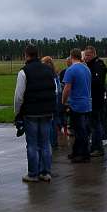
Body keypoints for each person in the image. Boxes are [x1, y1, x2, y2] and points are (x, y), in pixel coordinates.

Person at [14, 45, 57, 183]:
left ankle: (33, 173)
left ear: (26, 55)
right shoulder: (48, 70)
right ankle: (46, 172)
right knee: (45, 142)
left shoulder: (24, 72)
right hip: (47, 112)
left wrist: (17, 113)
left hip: (31, 112)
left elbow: (19, 96)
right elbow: (55, 90)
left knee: (32, 144)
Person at [61, 48, 92, 162]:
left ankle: (84, 154)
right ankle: (76, 151)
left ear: (71, 56)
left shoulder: (71, 70)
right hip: (87, 103)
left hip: (77, 104)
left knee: (79, 131)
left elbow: (67, 88)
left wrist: (63, 101)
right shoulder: (86, 68)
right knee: (82, 129)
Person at [83, 45, 107, 155]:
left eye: (88, 55)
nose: (86, 57)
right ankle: (95, 146)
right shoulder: (92, 65)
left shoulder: (97, 65)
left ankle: (97, 148)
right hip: (93, 98)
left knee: (96, 124)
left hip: (96, 99)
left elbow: (97, 82)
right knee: (94, 123)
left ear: (94, 54)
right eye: (85, 55)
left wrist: (85, 81)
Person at [41, 56, 62, 148]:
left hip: (49, 99)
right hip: (56, 99)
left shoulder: (44, 75)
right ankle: (54, 142)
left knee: (49, 122)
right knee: (54, 121)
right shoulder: (55, 75)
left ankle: (50, 142)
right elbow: (59, 89)